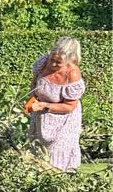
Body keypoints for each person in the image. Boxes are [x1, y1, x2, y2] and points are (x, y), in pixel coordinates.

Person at [26, 37, 85, 172]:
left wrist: (43, 105)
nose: (52, 64)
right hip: (41, 115)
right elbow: (34, 85)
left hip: (65, 119)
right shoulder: (43, 63)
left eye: (58, 63)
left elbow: (69, 106)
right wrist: (32, 100)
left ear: (69, 61)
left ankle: (61, 182)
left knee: (58, 153)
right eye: (52, 59)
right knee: (37, 149)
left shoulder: (73, 74)